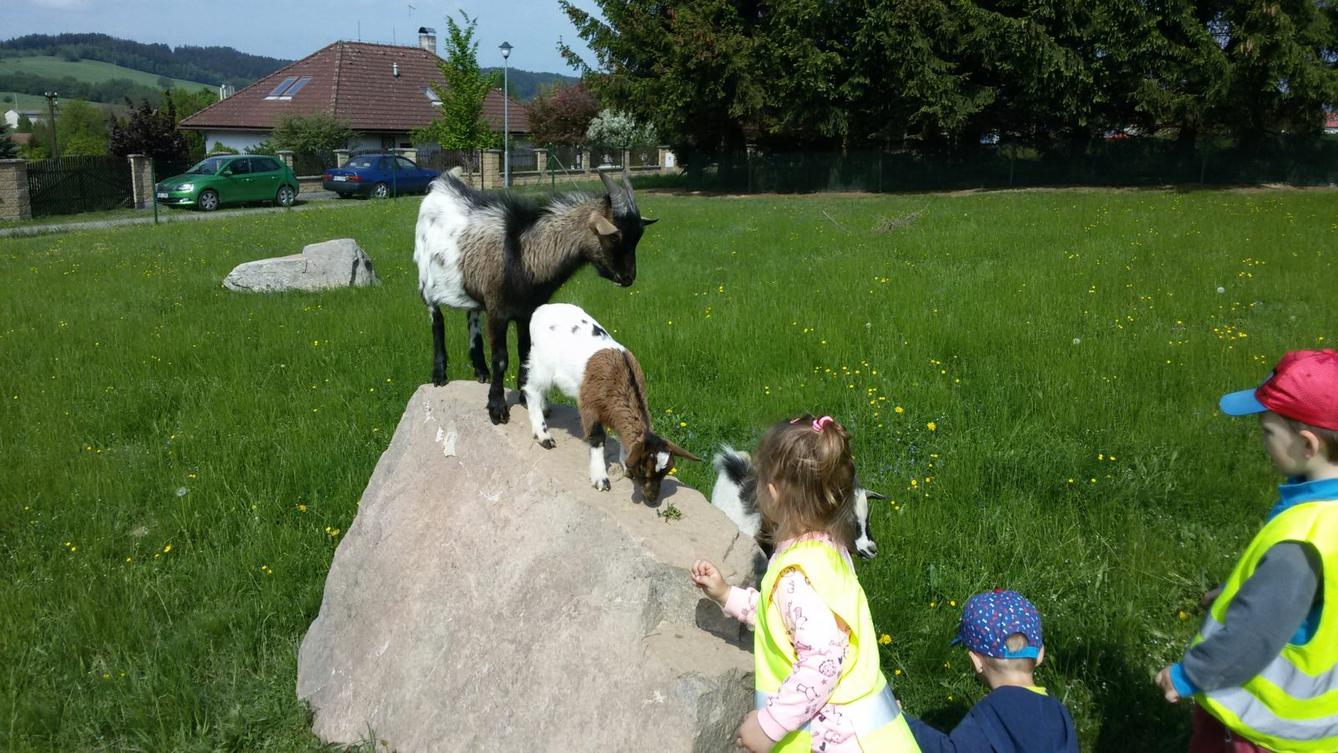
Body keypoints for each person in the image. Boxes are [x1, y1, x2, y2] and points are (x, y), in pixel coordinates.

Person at [691, 414, 921, 753]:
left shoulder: (795, 577)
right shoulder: (827, 554)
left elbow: (822, 660)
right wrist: (728, 595)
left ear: (771, 493)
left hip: (832, 741)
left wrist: (768, 726)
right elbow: (786, 620)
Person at [1155, 349, 1338, 753]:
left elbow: (1255, 633)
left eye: (1268, 432)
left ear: (1308, 445)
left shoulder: (1303, 536)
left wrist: (1188, 675)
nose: (1262, 439)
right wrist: (1237, 590)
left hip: (1260, 728)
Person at [906, 589, 1078, 753]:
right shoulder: (1058, 712)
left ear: (976, 661)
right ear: (1040, 654)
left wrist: (899, 721)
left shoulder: (992, 714)